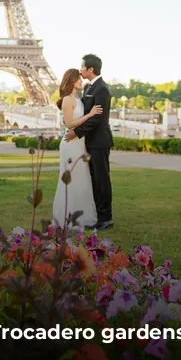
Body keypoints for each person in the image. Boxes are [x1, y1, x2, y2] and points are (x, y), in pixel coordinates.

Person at [65, 54, 114, 231]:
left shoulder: (101, 89)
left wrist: (76, 133)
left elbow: (96, 120)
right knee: (94, 180)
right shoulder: (89, 87)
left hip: (99, 142)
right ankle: (99, 215)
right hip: (91, 142)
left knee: (102, 180)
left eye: (82, 67)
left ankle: (106, 217)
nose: (80, 70)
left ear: (90, 69)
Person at [52, 68, 103, 230]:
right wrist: (90, 115)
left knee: (82, 180)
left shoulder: (77, 99)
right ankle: (68, 217)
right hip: (71, 145)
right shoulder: (68, 100)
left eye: (81, 79)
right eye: (78, 79)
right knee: (71, 180)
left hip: (79, 144)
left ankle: (81, 216)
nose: (81, 81)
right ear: (71, 80)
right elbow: (69, 124)